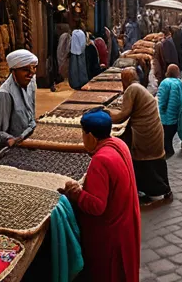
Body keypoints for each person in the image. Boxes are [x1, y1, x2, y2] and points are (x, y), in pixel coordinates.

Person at [59, 109, 140, 282]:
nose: (82, 138)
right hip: (126, 225)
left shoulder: (101, 160)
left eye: (83, 133)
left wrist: (77, 194)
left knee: (110, 274)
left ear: (91, 136)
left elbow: (97, 206)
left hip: (111, 235)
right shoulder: (119, 144)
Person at [110, 68, 171, 202]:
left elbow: (123, 114)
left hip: (146, 134)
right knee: (153, 163)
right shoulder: (138, 87)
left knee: (145, 163)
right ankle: (163, 191)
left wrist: (106, 115)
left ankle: (155, 192)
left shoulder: (132, 89)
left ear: (125, 80)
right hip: (152, 131)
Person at [0, 49, 38, 149]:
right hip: (13, 148)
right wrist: (10, 139)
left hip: (29, 140)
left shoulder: (31, 83)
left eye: (34, 68)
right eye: (26, 69)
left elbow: (31, 114)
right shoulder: (4, 94)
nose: (32, 73)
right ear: (13, 71)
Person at [157, 64, 182, 158]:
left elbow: (162, 100)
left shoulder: (164, 83)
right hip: (178, 114)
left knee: (166, 139)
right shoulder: (179, 83)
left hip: (166, 118)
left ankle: (168, 153)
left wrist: (162, 111)